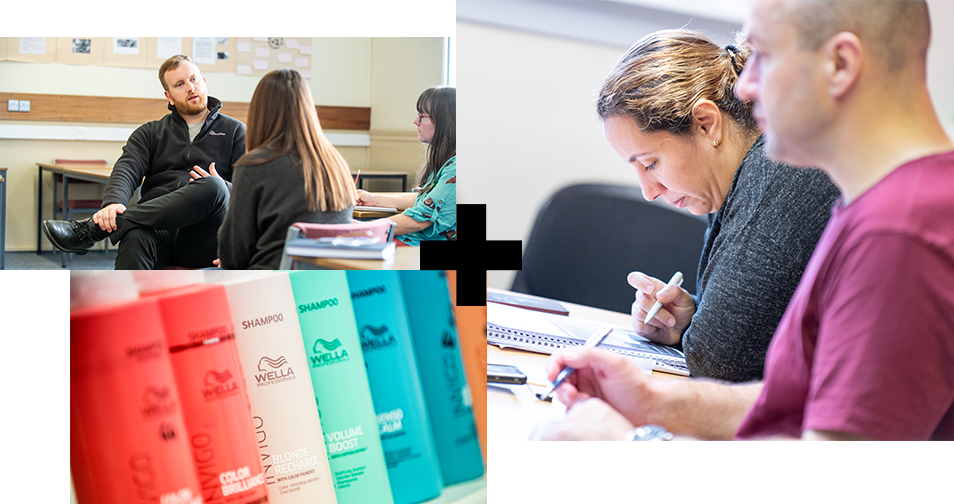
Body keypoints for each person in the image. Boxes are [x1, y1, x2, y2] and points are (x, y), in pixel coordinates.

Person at [544, 0, 954, 441]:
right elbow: (793, 403)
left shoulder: (902, 232)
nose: (745, 87)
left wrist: (621, 447)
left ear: (840, 64)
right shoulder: (871, 206)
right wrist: (651, 400)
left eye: (763, 55)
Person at [598, 30, 840, 382]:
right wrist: (691, 318)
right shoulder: (744, 175)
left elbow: (721, 361)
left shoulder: (778, 176)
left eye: (651, 164)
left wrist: (701, 334)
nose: (649, 192)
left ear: (706, 123)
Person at [41, 54, 245, 269]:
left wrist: (224, 187)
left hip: (204, 236)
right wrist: (113, 203)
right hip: (157, 230)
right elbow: (126, 168)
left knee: (214, 186)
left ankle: (94, 230)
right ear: (169, 96)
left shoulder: (234, 131)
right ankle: (125, 301)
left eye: (193, 80)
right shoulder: (150, 132)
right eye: (179, 84)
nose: (190, 88)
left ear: (203, 82)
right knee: (135, 234)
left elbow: (249, 192)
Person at [216, 69, 356, 269]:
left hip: (269, 287)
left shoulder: (254, 166)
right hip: (328, 288)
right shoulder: (336, 163)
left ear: (259, 113)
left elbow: (233, 256)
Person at [356, 86, 456, 245]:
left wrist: (363, 229)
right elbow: (427, 200)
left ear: (444, 120)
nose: (416, 121)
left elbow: (420, 220)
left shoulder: (456, 167)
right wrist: (373, 199)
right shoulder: (446, 160)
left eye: (421, 116)